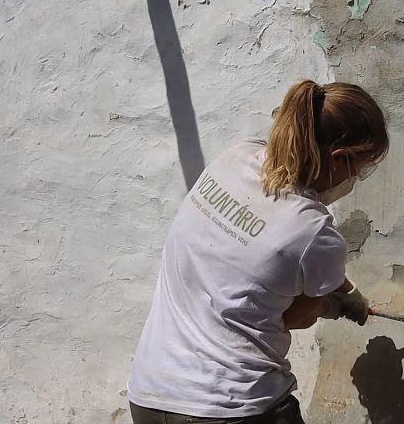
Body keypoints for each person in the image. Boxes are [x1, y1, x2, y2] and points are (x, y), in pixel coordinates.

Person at [127, 80, 389, 424]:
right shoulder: (314, 231)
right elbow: (296, 317)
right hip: (230, 407)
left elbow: (253, 258)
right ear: (339, 160)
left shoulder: (236, 157)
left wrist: (346, 292)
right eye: (360, 169)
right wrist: (331, 305)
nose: (356, 178)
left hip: (150, 394)